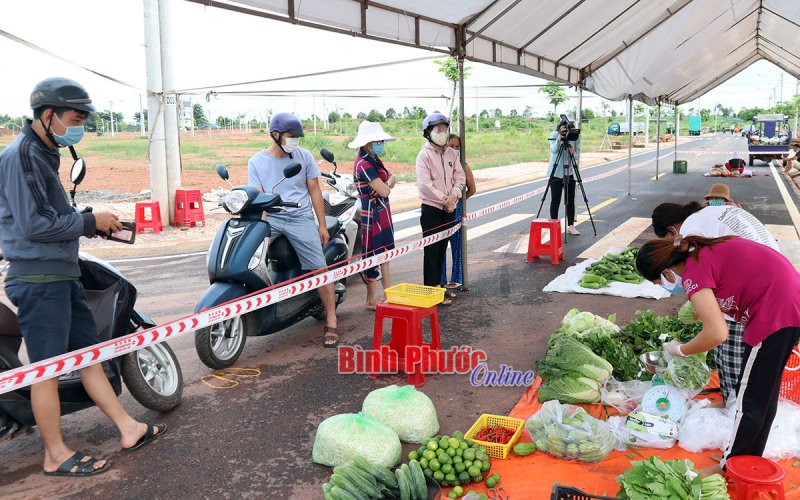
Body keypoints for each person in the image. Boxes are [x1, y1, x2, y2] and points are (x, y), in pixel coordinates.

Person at [0, 78, 166, 477]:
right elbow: (36, 224)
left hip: (61, 273)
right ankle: (55, 454)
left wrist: (90, 224)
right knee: (49, 369)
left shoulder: (43, 154)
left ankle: (128, 428)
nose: (80, 128)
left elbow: (51, 216)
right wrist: (90, 220)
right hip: (39, 279)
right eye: (75, 119)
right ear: (48, 115)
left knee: (88, 356)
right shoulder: (22, 156)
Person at [635, 235, 800, 475]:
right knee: (764, 395)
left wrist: (679, 350)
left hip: (775, 313)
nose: (666, 287)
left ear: (666, 273)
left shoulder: (693, 273)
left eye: (658, 282)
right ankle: (745, 460)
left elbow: (716, 333)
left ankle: (728, 468)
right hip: (788, 303)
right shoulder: (703, 251)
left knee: (750, 399)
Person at [650, 201, 778, 402]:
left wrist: (681, 350)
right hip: (772, 274)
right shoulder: (709, 214)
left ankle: (735, 407)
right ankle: (736, 403)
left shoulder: (691, 233)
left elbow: (717, 332)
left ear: (671, 231)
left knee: (733, 357)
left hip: (758, 290)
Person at [247, 112, 339, 347]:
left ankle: (331, 318)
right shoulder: (256, 162)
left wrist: (321, 224)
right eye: (291, 136)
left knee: (320, 267)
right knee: (251, 256)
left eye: (298, 136)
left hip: (299, 217)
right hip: (273, 218)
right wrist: (261, 230)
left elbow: (314, 190)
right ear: (276, 135)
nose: (295, 140)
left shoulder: (304, 156)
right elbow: (258, 197)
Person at [415, 113, 465, 304]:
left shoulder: (451, 153)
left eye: (445, 129)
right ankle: (431, 290)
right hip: (432, 209)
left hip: (450, 206)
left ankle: (439, 288)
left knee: (442, 248)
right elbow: (425, 185)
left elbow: (459, 177)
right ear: (428, 132)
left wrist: (454, 195)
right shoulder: (424, 155)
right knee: (431, 250)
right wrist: (445, 199)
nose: (442, 133)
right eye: (438, 130)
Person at [349, 121, 396, 310]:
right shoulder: (363, 164)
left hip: (381, 211)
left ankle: (387, 294)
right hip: (372, 214)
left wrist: (387, 184)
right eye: (378, 140)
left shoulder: (374, 159)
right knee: (372, 255)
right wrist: (387, 185)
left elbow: (391, 179)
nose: (381, 143)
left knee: (384, 253)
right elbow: (384, 190)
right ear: (367, 142)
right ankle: (371, 299)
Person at [440, 133, 476, 290]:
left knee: (457, 247)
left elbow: (472, 189)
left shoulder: (464, 166)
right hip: (440, 211)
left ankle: (457, 279)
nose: (454, 149)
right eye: (451, 146)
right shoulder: (439, 164)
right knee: (439, 247)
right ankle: (440, 283)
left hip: (456, 212)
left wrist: (459, 202)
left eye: (457, 147)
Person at [547, 120, 581, 235]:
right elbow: (554, 150)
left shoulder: (575, 137)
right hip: (556, 173)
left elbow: (577, 156)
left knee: (570, 201)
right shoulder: (554, 134)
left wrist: (573, 152)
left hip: (570, 173)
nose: (567, 131)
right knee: (555, 200)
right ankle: (553, 225)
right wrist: (559, 138)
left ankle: (571, 226)